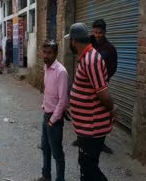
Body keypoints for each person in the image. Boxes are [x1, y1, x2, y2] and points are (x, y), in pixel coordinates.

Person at [67, 23, 115, 181]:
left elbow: (103, 93)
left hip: (92, 127)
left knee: (89, 169)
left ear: (73, 41)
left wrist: (112, 110)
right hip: (86, 127)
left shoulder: (91, 60)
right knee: (86, 166)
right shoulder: (87, 58)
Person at [36, 40, 69, 181]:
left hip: (54, 119)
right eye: (44, 52)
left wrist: (53, 120)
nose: (46, 55)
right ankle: (46, 175)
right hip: (46, 115)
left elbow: (63, 100)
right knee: (45, 148)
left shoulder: (61, 72)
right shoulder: (46, 67)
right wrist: (44, 105)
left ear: (56, 54)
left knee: (57, 153)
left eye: (49, 53)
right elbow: (48, 91)